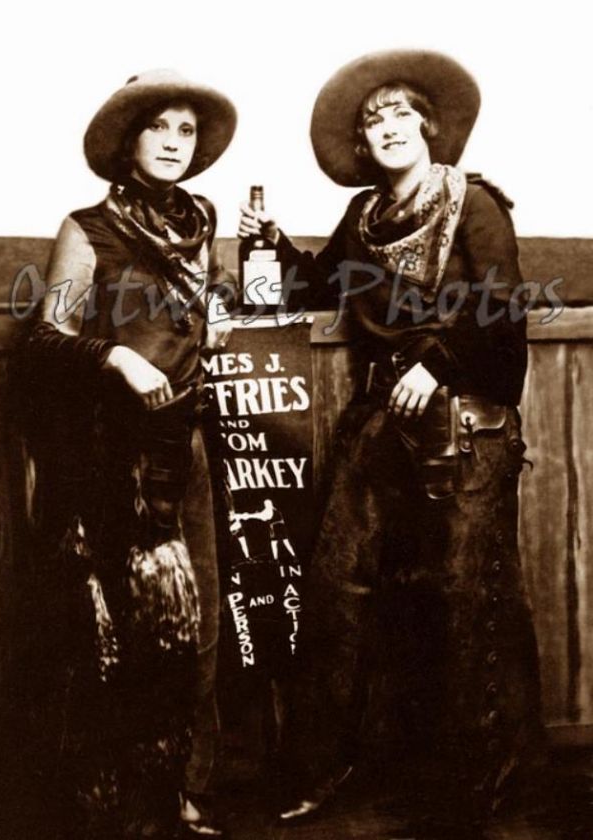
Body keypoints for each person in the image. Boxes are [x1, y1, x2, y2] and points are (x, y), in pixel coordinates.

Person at [238, 49, 544, 831]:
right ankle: (324, 767)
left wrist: (436, 364)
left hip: (468, 426)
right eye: (375, 122)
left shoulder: (475, 204)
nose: (390, 128)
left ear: (428, 127)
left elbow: (501, 306)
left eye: (402, 114)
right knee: (338, 587)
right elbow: (315, 286)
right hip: (382, 427)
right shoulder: (364, 218)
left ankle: (485, 786)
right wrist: (270, 241)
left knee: (468, 597)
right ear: (363, 149)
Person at [26, 69, 237, 838]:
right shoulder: (89, 228)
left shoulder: (201, 221)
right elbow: (47, 339)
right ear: (130, 142)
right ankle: (128, 810)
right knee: (126, 633)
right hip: (110, 457)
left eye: (188, 131)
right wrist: (117, 357)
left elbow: (197, 314)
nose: (176, 143)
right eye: (162, 128)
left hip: (181, 446)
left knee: (203, 622)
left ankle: (191, 794)